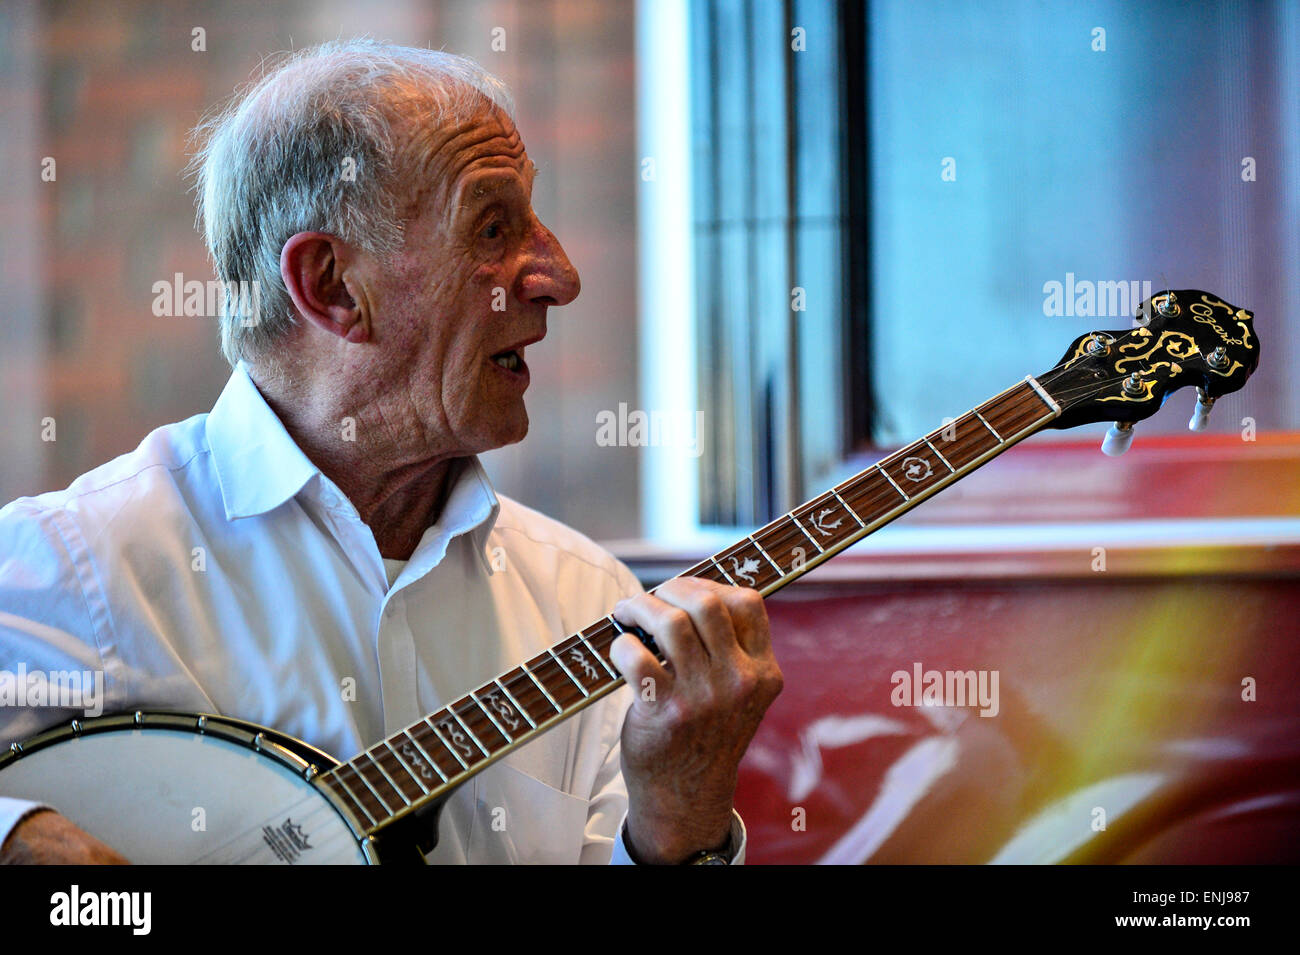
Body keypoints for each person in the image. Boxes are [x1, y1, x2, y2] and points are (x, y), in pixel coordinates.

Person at [0, 39, 782, 864]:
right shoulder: (67, 568)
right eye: (492, 226)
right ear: (333, 285)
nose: (559, 273)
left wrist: (677, 823)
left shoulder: (588, 599)